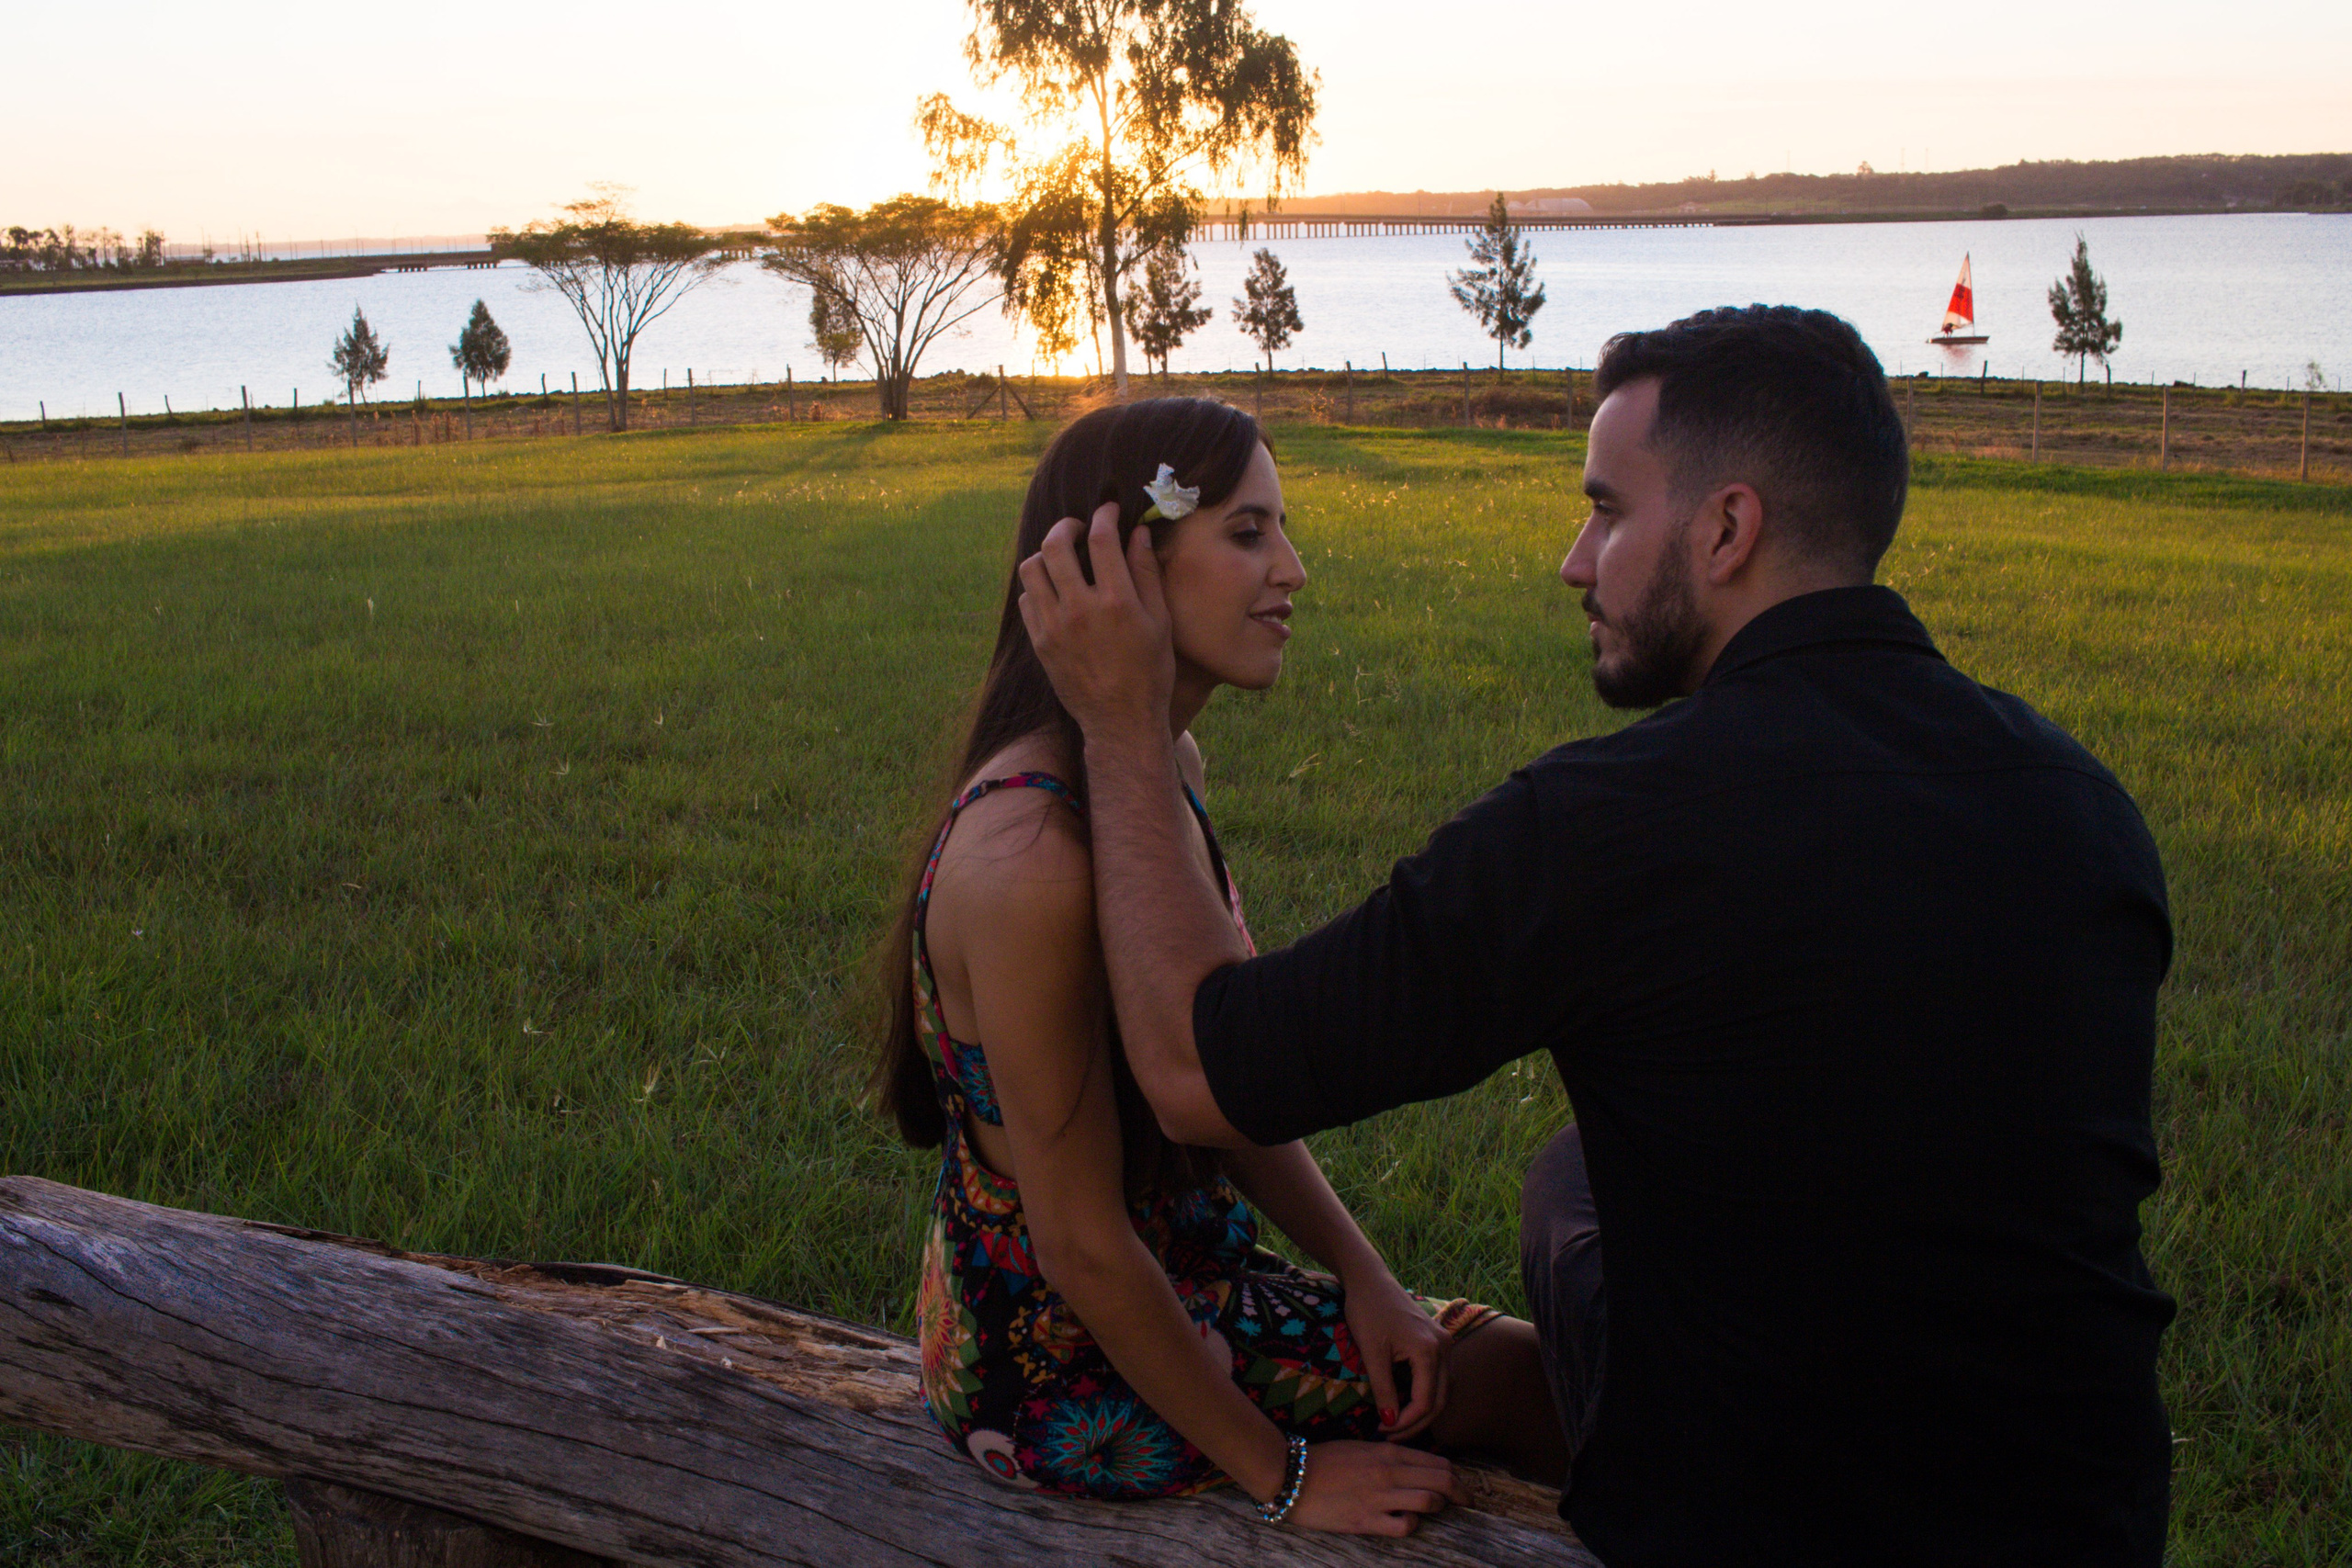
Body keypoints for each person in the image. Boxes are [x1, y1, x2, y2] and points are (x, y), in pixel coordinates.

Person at [1014, 308, 2177, 1566]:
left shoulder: (1611, 827)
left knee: (1572, 1189)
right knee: (1583, 1170)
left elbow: (1196, 1071)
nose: (1578, 560)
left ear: (1728, 530)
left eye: (1609, 511)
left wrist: (1124, 729)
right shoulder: (2082, 802)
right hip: (2087, 1515)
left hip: (1751, 1520)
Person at [874, 397, 1566, 1535]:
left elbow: (1217, 1071)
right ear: (1118, 566)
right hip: (1063, 1367)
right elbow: (1081, 1245)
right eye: (1247, 534)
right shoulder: (1031, 860)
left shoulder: (1156, 765)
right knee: (1535, 1389)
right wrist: (1284, 1476)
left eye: (1279, 529)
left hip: (1181, 1280)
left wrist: (1365, 1275)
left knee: (1490, 1366)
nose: (1290, 569)